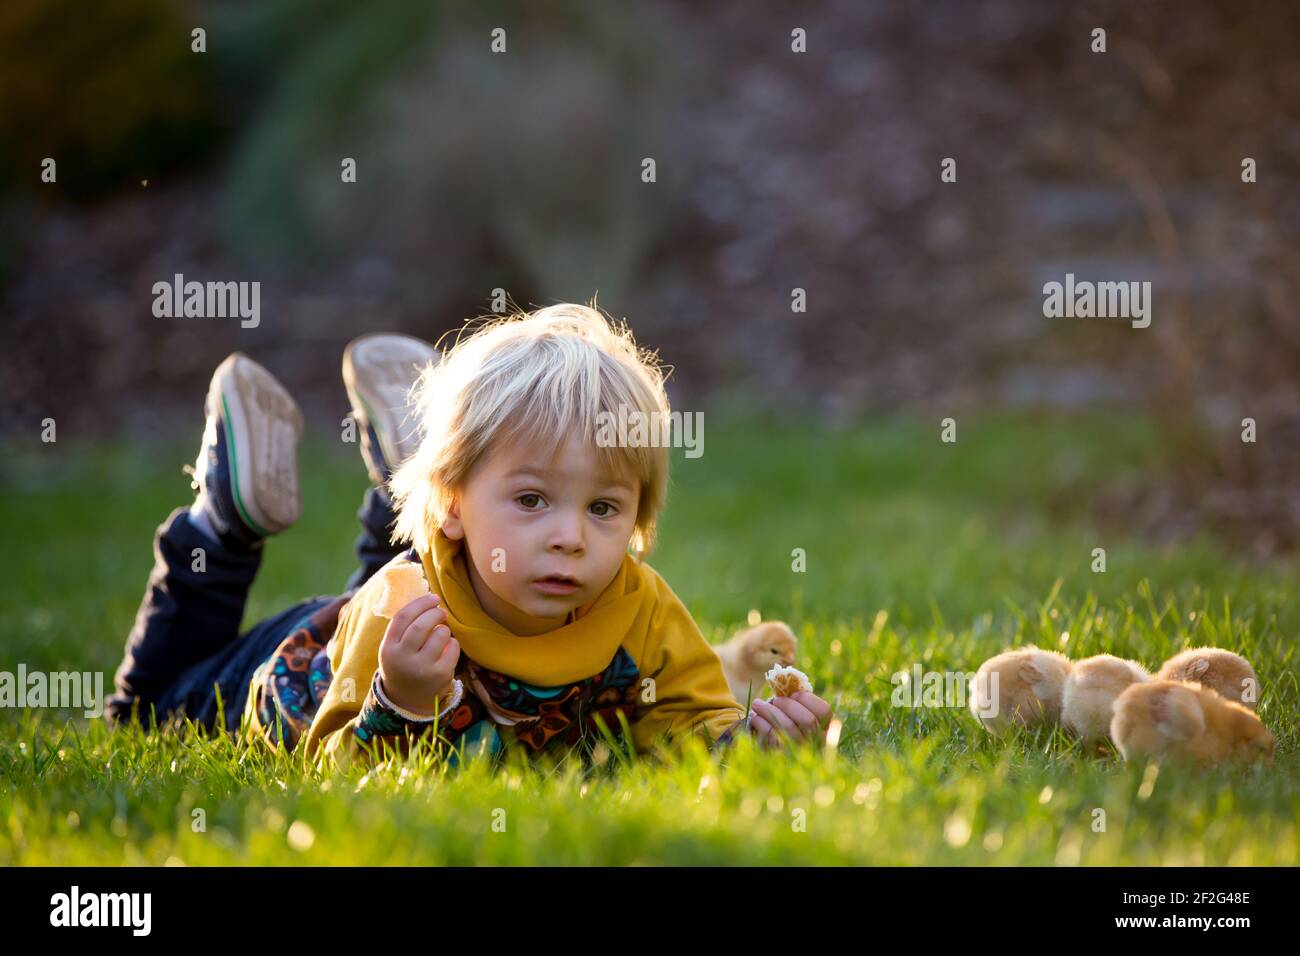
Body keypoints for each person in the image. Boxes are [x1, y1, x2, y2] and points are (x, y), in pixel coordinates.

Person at [106, 304, 834, 770]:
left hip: (450, 572)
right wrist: (402, 700)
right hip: (301, 663)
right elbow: (330, 771)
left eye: (604, 509)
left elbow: (687, 718)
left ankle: (408, 473)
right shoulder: (396, 608)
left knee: (450, 570)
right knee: (142, 711)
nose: (570, 538)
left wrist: (754, 744)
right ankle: (223, 528)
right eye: (531, 498)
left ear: (641, 520)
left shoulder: (637, 606)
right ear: (457, 505)